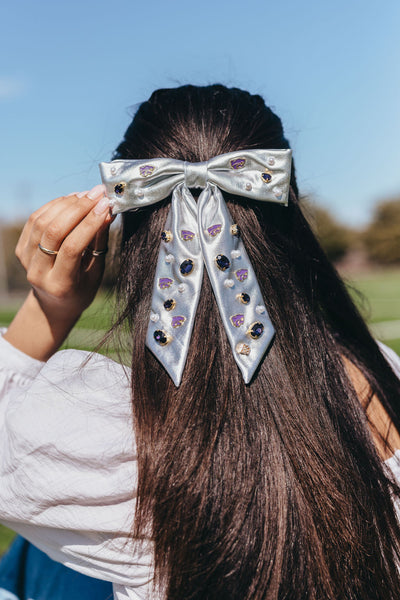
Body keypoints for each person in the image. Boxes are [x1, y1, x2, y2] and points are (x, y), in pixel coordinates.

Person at [0, 84, 400, 600]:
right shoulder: (380, 374)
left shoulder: (92, 440)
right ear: (287, 208)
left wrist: (50, 308)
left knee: (33, 559)